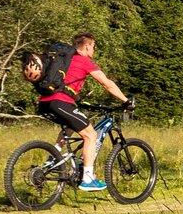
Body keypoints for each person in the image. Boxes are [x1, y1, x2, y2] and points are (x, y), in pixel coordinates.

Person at [35, 33, 132, 191]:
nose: (93, 50)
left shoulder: (65, 61)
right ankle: (88, 178)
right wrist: (125, 100)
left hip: (45, 102)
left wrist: (79, 100)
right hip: (61, 102)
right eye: (93, 46)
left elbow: (66, 84)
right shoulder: (84, 61)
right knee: (91, 135)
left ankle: (51, 160)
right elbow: (106, 83)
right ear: (87, 46)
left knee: (69, 127)